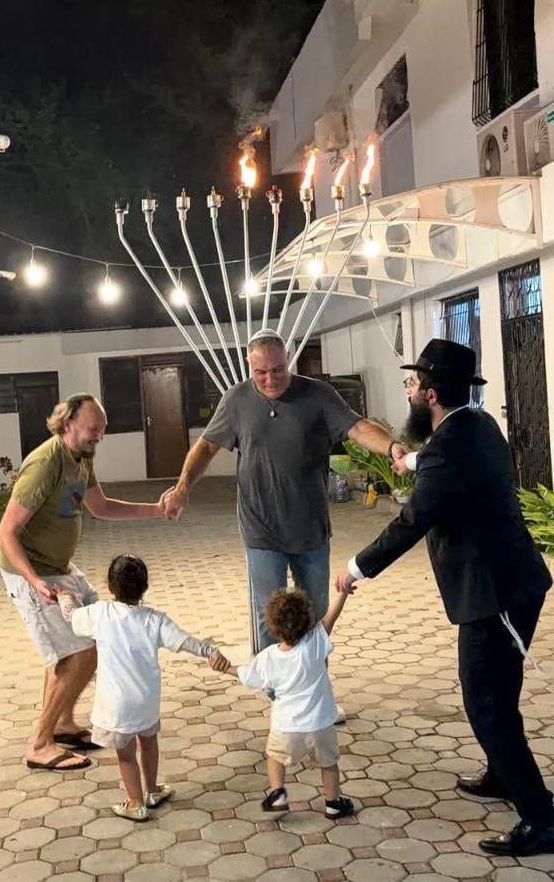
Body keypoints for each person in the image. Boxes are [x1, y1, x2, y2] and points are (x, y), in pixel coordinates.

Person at [335, 338, 553, 857]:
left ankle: (541, 819)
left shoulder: (449, 449)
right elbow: (440, 464)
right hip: (509, 582)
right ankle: (503, 774)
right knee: (496, 694)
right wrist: (412, 461)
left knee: (486, 703)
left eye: (412, 384)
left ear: (430, 394)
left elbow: (413, 521)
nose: (408, 391)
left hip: (494, 592)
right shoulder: (476, 426)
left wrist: (355, 567)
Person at [163, 328, 408, 654]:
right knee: (268, 616)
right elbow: (207, 446)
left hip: (311, 530)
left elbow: (358, 428)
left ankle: (313, 686)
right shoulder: (236, 400)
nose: (270, 379)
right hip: (261, 529)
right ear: (250, 367)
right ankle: (275, 694)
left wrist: (391, 446)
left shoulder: (318, 395)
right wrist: (182, 488)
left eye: (277, 370)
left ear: (288, 360)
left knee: (314, 614)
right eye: (260, 372)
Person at [0, 393, 167, 771]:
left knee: (86, 641)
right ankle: (39, 745)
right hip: (32, 573)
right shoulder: (44, 464)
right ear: (68, 424)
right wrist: (35, 581)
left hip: (60, 567)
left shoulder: (81, 459)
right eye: (93, 429)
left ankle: (62, 723)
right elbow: (6, 533)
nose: (99, 437)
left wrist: (156, 509)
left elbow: (101, 507)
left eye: (103, 430)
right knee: (80, 653)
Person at [56, 553, 222, 820]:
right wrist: (210, 651)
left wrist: (66, 596)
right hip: (146, 701)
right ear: (145, 588)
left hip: (116, 705)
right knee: (148, 743)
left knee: (125, 754)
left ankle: (135, 803)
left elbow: (71, 616)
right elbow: (185, 641)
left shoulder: (100, 614)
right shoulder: (155, 620)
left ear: (110, 588)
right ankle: (153, 790)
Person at [213, 586, 354, 817]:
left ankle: (278, 793)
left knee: (275, 757)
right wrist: (343, 593)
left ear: (273, 627)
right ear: (308, 619)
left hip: (286, 727)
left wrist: (224, 667)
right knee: (328, 764)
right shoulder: (314, 643)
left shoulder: (268, 657)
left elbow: (247, 675)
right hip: (320, 724)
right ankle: (333, 802)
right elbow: (331, 617)